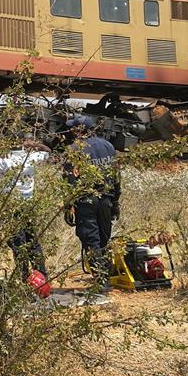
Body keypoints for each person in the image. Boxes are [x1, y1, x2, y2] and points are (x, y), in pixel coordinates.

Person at [63, 115, 121, 288]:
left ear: (79, 130)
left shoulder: (74, 150)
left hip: (86, 201)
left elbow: (70, 181)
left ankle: (101, 282)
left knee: (91, 240)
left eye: (74, 128)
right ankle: (105, 277)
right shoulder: (108, 146)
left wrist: (68, 206)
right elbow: (116, 177)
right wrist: (116, 202)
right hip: (106, 199)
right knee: (104, 239)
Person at [0, 137, 51, 280]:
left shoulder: (4, 162)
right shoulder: (32, 158)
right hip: (28, 205)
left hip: (11, 206)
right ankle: (42, 275)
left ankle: (24, 276)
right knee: (31, 240)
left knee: (18, 242)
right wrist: (35, 144)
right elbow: (48, 152)